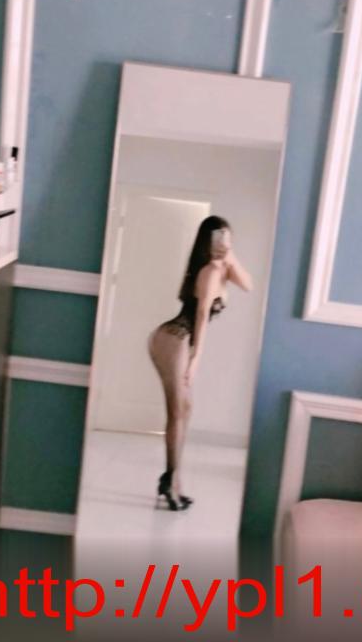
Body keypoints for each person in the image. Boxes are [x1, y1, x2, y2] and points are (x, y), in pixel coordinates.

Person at [147, 215, 253, 510]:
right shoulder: (210, 272)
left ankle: (172, 480)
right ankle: (171, 483)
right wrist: (196, 357)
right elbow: (202, 314)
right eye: (219, 237)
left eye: (228, 237)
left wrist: (231, 257)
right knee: (177, 412)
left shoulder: (223, 269)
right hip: (175, 339)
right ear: (207, 241)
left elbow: (249, 285)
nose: (224, 242)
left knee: (184, 410)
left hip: (178, 340)